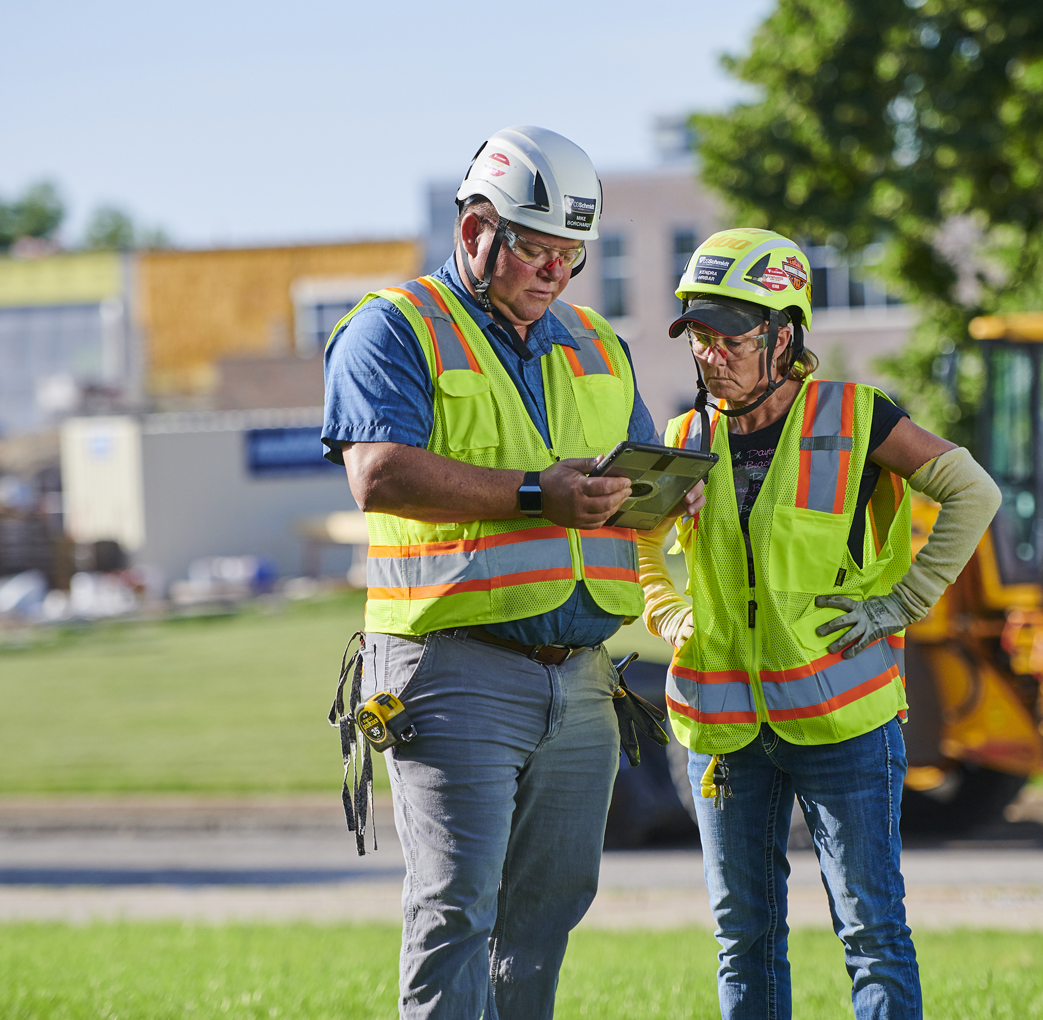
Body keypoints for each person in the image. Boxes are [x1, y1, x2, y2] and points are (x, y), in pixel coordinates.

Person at [322, 125, 692, 1020]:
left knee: (546, 911)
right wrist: (538, 494)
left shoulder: (599, 343)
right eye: (535, 247)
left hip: (583, 676)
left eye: (571, 253)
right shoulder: (393, 327)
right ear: (474, 226)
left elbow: (612, 478)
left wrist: (661, 496)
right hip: (452, 670)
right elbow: (380, 473)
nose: (555, 270)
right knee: (456, 908)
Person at [639, 228, 1002, 1020]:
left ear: (783, 334)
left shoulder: (857, 418)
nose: (712, 354)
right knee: (744, 938)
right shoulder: (684, 439)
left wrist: (902, 604)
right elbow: (638, 534)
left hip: (845, 725)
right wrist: (665, 608)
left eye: (730, 336)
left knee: (871, 933)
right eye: (699, 335)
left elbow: (973, 492)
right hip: (724, 731)